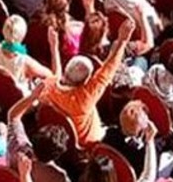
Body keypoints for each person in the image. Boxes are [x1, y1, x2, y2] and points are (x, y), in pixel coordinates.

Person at [29, 18, 134, 149]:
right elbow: (107, 72)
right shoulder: (84, 98)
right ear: (85, 82)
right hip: (86, 145)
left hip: (58, 139)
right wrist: (122, 41)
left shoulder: (48, 87)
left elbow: (55, 77)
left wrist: (54, 48)